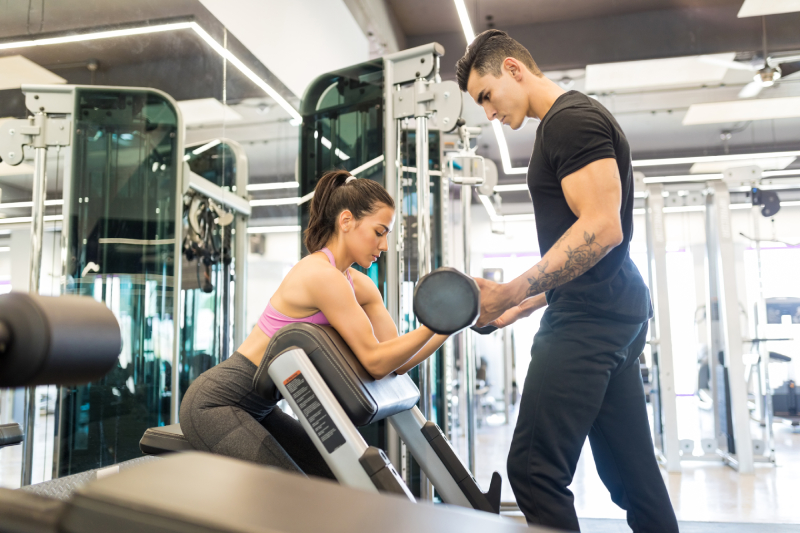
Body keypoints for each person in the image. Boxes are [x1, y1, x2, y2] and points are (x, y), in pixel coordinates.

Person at [456, 30, 679, 532]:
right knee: (632, 475)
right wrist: (523, 306)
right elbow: (588, 250)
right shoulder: (569, 121)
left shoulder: (569, 122)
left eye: (486, 96)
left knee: (533, 472)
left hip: (588, 319)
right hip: (611, 305)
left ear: (513, 69)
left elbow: (601, 230)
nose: (488, 113)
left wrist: (513, 289)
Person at [180, 169, 447, 478]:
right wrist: (432, 326)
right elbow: (376, 363)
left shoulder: (358, 285)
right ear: (346, 221)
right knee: (296, 495)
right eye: (379, 231)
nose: (384, 245)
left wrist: (446, 327)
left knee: (336, 478)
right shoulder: (321, 276)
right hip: (217, 404)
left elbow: (395, 362)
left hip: (261, 408)